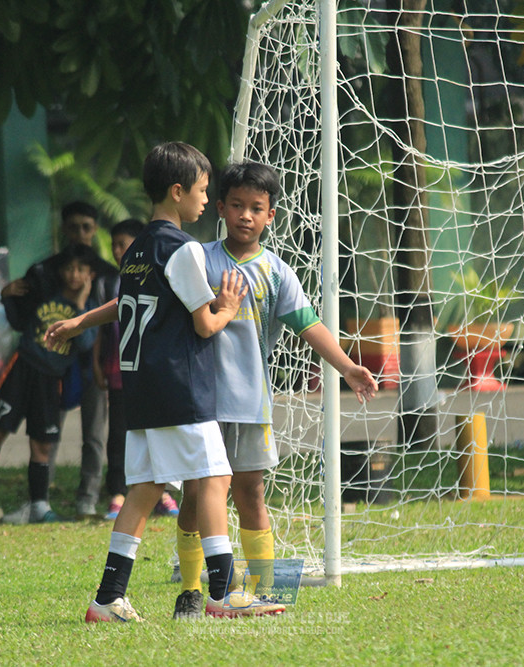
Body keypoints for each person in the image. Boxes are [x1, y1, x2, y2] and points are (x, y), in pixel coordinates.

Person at [45, 141, 281, 622]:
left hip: (141, 391)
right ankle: (221, 594)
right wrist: (228, 308)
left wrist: (77, 323)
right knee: (215, 478)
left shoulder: (135, 252)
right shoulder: (184, 248)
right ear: (177, 192)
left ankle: (108, 598)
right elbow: (204, 324)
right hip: (181, 387)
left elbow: (130, 307)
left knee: (146, 489)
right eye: (201, 190)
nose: (204, 199)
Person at [171, 161, 379, 619]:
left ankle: (266, 590)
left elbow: (308, 325)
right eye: (238, 205)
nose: (246, 215)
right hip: (202, 403)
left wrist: (347, 367)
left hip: (252, 405)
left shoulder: (277, 272)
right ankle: (189, 588)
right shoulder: (198, 259)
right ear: (220, 208)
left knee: (251, 493)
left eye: (257, 208)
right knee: (196, 495)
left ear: (271, 216)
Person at [0, 243, 101, 525]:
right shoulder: (46, 294)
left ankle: (39, 506)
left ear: (90, 274)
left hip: (50, 381)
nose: (73, 275)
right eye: (69, 268)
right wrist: (6, 297)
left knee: (42, 445)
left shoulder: (89, 309)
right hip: (22, 370)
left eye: (80, 270)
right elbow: (19, 322)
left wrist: (81, 306)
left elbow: (84, 344)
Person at [2, 201, 118, 523]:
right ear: (63, 229)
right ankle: (40, 500)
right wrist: (7, 297)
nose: (80, 233)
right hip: (52, 367)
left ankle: (88, 500)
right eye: (73, 226)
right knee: (45, 433)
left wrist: (104, 365)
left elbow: (115, 325)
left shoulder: (109, 274)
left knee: (94, 436)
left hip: (93, 367)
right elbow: (24, 320)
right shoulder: (43, 272)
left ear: (95, 230)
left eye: (87, 226)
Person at [96, 218, 181, 520]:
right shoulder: (110, 280)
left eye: (124, 244)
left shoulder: (158, 272)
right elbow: (106, 328)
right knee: (120, 435)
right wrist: (96, 361)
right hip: (121, 375)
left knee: (160, 435)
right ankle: (118, 492)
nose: (119, 251)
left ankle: (165, 492)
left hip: (154, 375)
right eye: (115, 245)